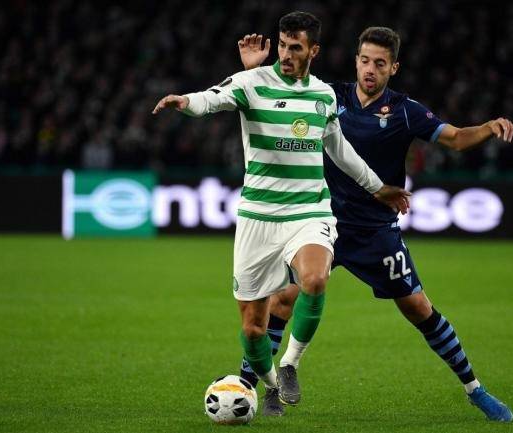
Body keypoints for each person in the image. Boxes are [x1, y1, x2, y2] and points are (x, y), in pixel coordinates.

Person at [237, 27, 513, 421]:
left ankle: (476, 390)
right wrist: (253, 71)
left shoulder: (405, 110)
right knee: (281, 300)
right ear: (356, 61)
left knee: (418, 308)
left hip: (375, 231)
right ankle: (248, 387)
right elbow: (279, 87)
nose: (370, 69)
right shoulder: (328, 96)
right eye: (364, 60)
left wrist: (489, 127)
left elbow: (456, 138)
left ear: (393, 68)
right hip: (318, 222)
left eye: (379, 63)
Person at [152, 12, 410, 418]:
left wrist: (378, 188)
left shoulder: (323, 96)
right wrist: (185, 102)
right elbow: (212, 98)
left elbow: (340, 151)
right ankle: (270, 386)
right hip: (258, 216)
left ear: (313, 50)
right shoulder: (251, 82)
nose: (287, 54)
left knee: (315, 279)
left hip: (308, 210)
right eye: (283, 45)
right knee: (253, 328)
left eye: (296, 48)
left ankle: (290, 363)